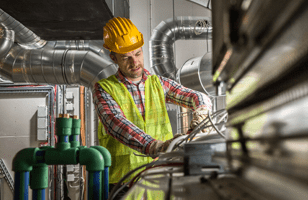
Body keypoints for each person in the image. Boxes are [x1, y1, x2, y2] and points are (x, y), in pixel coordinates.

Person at [93, 16, 212, 192]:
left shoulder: (159, 84)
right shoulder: (104, 89)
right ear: (113, 57)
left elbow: (195, 96)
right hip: (121, 183)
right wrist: (157, 146)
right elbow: (116, 123)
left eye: (138, 54)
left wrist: (201, 111)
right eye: (126, 58)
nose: (135, 62)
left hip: (159, 176)